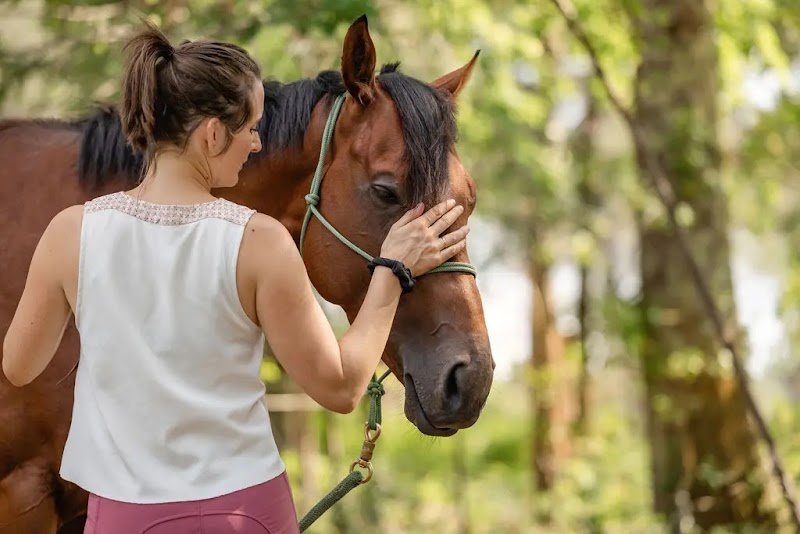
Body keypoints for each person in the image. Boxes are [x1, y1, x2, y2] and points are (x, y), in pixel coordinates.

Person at [1, 23, 468, 534]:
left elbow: (20, 367)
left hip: (125, 514)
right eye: (250, 128)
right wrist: (391, 270)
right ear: (212, 134)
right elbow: (340, 387)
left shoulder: (71, 231)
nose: (257, 144)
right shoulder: (260, 239)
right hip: (245, 513)